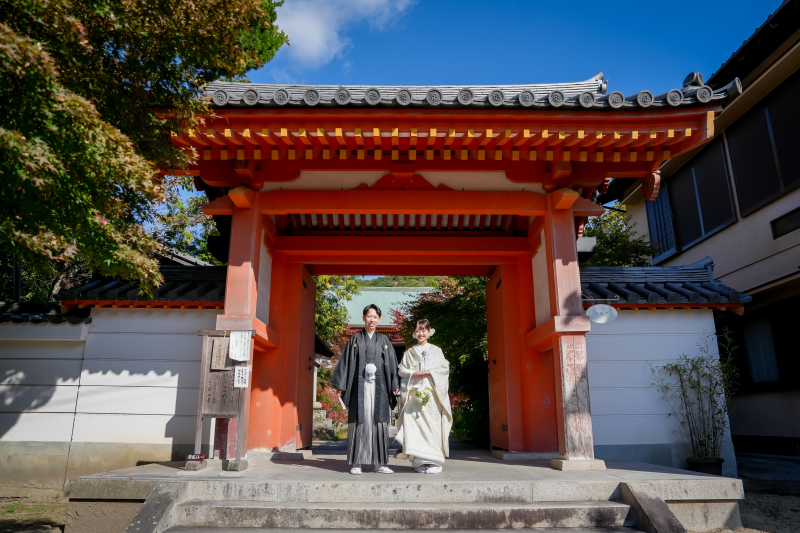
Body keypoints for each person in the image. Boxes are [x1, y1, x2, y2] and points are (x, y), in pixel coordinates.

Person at [330, 304, 400, 475]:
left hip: (380, 388)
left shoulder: (384, 341)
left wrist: (395, 384)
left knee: (379, 423)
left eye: (375, 317)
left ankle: (380, 463)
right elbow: (345, 363)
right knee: (360, 422)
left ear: (379, 320)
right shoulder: (355, 340)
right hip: (359, 388)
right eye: (369, 316)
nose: (372, 319)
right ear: (363, 318)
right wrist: (340, 384)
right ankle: (357, 462)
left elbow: (392, 364)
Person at [396, 319, 452, 474]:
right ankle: (418, 460)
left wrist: (430, 372)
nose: (421, 333)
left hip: (432, 395)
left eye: (424, 330)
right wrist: (413, 372)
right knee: (415, 425)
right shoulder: (409, 352)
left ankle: (435, 461)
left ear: (429, 332)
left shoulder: (436, 351)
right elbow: (401, 370)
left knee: (432, 426)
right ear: (414, 333)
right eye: (418, 330)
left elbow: (444, 369)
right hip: (414, 394)